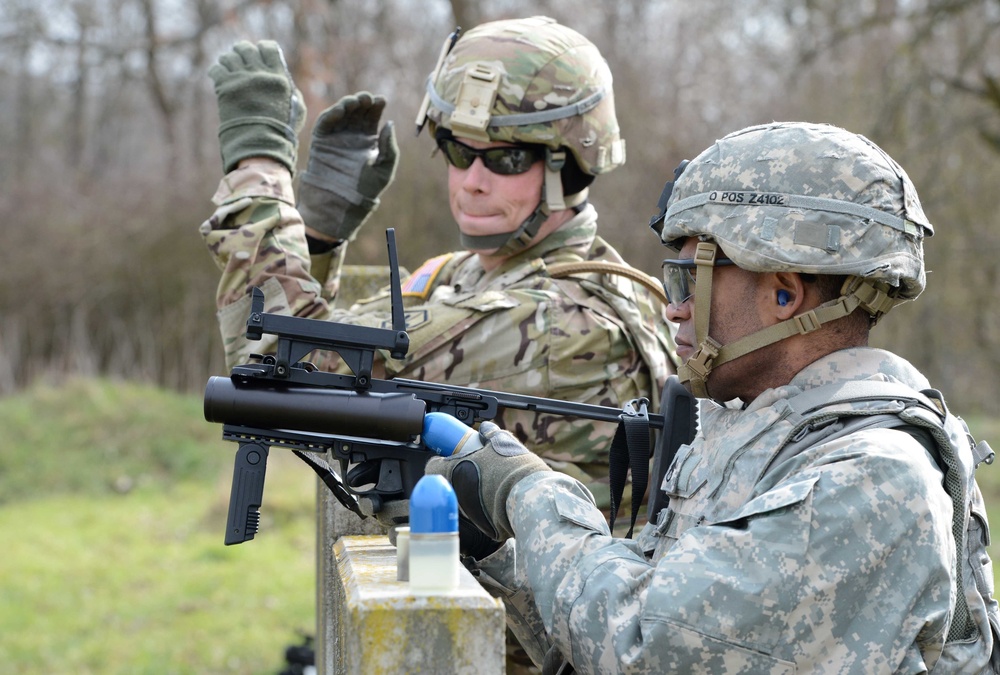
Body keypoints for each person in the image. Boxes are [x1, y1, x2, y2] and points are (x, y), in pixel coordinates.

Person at [425, 121, 1000, 673]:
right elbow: (618, 635)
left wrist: (528, 494)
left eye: (688, 279)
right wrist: (495, 549)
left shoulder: (872, 478)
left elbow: (643, 648)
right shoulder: (760, 431)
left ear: (784, 295)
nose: (673, 306)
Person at [201, 16, 675, 526]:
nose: (472, 182)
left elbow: (281, 379)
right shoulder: (467, 274)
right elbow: (317, 353)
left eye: (506, 159)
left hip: (506, 606)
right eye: (458, 150)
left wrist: (258, 168)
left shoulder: (555, 321)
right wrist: (315, 237)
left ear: (571, 166)